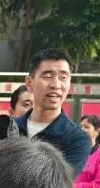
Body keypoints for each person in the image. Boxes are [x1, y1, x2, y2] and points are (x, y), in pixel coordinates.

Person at [14, 49, 91, 177]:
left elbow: (57, 184)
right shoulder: (9, 127)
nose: (56, 85)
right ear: (29, 83)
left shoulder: (77, 139)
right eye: (48, 77)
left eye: (63, 78)